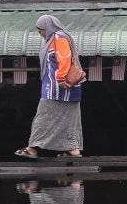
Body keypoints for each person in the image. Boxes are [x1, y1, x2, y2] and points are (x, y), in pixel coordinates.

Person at [15, 14, 83, 158]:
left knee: (43, 116)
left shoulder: (58, 38)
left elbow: (64, 59)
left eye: (41, 31)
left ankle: (32, 149)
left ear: (48, 28)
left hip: (57, 88)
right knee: (69, 119)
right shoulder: (58, 38)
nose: (41, 35)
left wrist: (60, 79)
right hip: (67, 89)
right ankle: (74, 151)